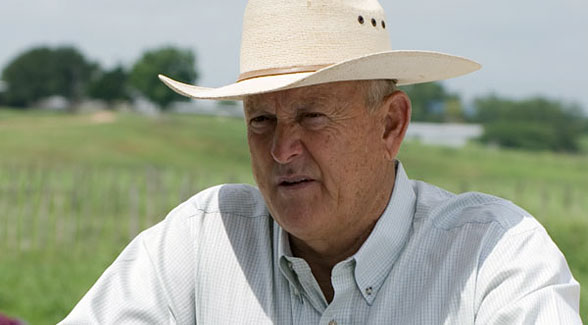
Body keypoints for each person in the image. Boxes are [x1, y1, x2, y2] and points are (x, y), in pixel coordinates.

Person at [61, 0, 581, 323]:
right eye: (260, 120)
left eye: (312, 117)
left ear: (390, 126)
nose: (281, 150)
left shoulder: (495, 253)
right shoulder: (200, 242)